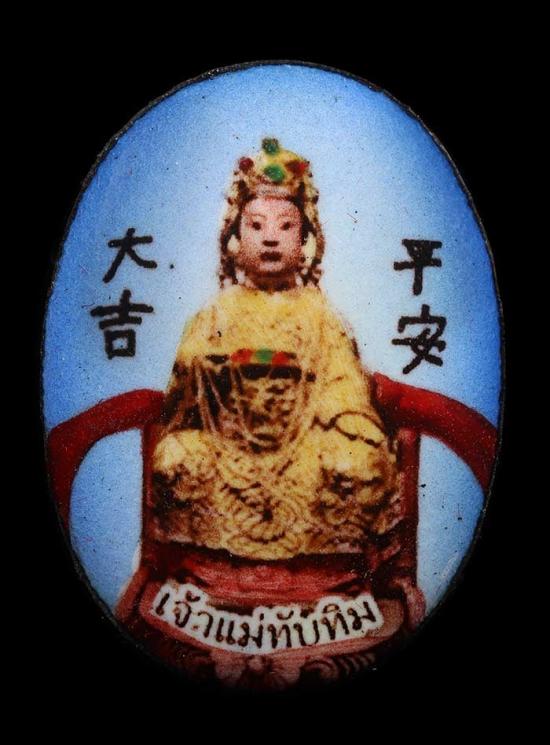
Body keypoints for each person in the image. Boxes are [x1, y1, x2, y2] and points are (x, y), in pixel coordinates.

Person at [119, 139, 410, 687]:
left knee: (356, 463)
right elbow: (182, 396)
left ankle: (324, 579)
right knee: (177, 457)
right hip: (226, 448)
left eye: (285, 226)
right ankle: (208, 571)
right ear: (234, 239)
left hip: (304, 450)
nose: (271, 237)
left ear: (307, 241)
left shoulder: (321, 317)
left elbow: (347, 393)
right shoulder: (214, 315)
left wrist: (346, 428)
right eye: (256, 225)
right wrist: (205, 365)